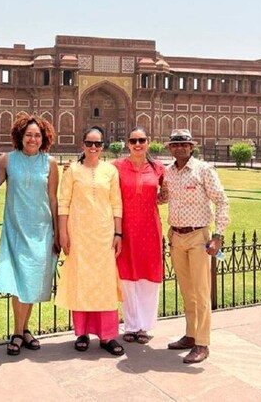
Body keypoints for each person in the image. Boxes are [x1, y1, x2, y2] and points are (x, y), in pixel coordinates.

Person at [161, 129, 229, 364]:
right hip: (177, 236)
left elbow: (221, 200)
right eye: (175, 144)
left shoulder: (203, 170)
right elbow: (164, 198)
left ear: (192, 146)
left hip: (199, 236)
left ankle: (202, 342)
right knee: (187, 291)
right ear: (169, 148)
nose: (179, 148)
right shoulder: (169, 173)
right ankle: (190, 335)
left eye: (184, 144)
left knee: (201, 292)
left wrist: (218, 235)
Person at [55, 126, 125, 356]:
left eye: (97, 144)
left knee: (104, 283)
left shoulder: (110, 171)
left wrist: (118, 234)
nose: (93, 148)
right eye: (89, 143)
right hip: (79, 235)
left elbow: (116, 203)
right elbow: (63, 202)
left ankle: (107, 335)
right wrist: (63, 233)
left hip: (104, 235)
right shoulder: (73, 171)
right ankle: (82, 332)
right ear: (82, 145)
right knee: (81, 280)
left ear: (103, 146)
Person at [0, 114, 60, 355]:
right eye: (28, 134)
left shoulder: (50, 163)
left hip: (41, 230)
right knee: (19, 281)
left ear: (43, 138)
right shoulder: (8, 161)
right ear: (20, 137)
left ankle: (23, 330)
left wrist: (57, 232)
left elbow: (53, 199)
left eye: (37, 135)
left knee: (32, 281)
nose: (32, 139)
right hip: (16, 227)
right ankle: (17, 331)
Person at [113, 127, 165, 345]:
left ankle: (144, 325)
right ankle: (132, 325)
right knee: (127, 276)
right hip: (125, 229)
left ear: (148, 142)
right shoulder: (116, 167)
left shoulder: (158, 168)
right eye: (133, 140)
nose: (137, 144)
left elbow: (169, 191)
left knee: (148, 276)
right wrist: (73, 167)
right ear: (127, 143)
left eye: (141, 140)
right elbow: (93, 172)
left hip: (150, 229)